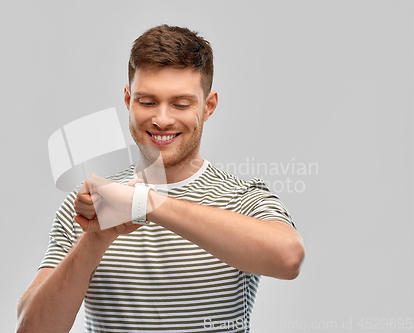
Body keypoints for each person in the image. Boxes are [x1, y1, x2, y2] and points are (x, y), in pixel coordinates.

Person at [16, 24, 305, 333]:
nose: (162, 119)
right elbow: (32, 329)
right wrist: (95, 239)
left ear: (208, 107)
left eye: (180, 104)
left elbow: (288, 258)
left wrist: (145, 203)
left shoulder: (242, 198)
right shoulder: (91, 205)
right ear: (128, 100)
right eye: (147, 102)